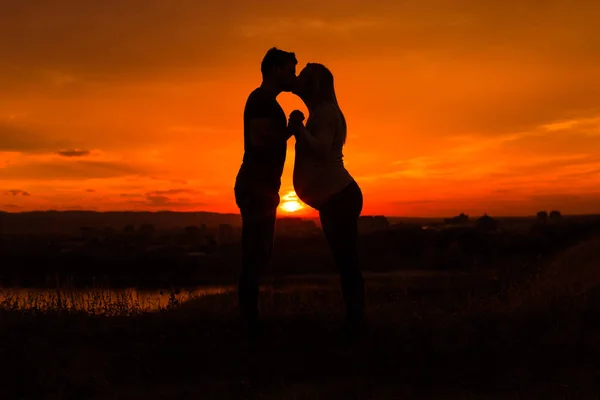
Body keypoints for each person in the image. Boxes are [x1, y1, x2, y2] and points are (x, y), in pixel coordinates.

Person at [287, 63, 366, 336]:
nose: (298, 79)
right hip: (336, 198)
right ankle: (354, 321)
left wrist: (298, 129)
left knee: (347, 263)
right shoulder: (321, 113)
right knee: (345, 262)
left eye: (303, 77)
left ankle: (355, 324)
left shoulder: (324, 113)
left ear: (314, 85)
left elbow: (321, 149)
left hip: (339, 197)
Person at [234, 47, 297, 336]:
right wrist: (292, 129)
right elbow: (260, 142)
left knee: (260, 255)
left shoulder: (267, 103)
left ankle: (250, 321)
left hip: (265, 189)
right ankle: (249, 324)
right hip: (256, 187)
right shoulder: (260, 101)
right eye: (289, 70)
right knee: (255, 256)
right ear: (274, 70)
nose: (292, 76)